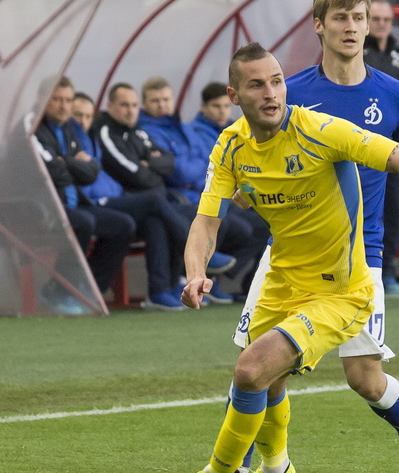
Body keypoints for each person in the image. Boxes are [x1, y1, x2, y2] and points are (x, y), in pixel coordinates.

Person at [149, 42, 399, 473]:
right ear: (234, 93)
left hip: (341, 288)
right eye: (257, 85)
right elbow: (206, 221)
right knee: (267, 378)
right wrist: (196, 274)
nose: (271, 93)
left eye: (277, 81)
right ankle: (275, 471)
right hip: (283, 277)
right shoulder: (231, 145)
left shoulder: (320, 130)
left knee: (258, 370)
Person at [231, 0, 399, 473]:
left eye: (360, 18)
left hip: (361, 255)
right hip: (290, 254)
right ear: (320, 26)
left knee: (365, 378)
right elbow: (255, 159)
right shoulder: (291, 92)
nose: (353, 27)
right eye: (341, 19)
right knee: (263, 366)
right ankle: (267, 466)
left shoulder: (396, 95)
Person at [88, 84, 236, 309]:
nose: (130, 110)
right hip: (118, 202)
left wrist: (152, 165)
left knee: (175, 215)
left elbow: (169, 162)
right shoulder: (107, 131)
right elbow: (133, 173)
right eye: (124, 105)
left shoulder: (137, 132)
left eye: (134, 105)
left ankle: (163, 290)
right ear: (109, 107)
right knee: (155, 202)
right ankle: (201, 257)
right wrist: (151, 169)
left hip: (149, 202)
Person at [138, 76, 269, 299]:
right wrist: (196, 167)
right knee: (224, 224)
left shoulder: (182, 127)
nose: (162, 105)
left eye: (166, 99)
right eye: (155, 100)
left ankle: (236, 278)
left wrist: (189, 166)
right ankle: (205, 275)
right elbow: (185, 170)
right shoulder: (152, 130)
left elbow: (208, 165)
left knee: (265, 221)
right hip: (183, 197)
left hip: (206, 192)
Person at [30, 77, 136, 306]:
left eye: (68, 100)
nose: (64, 106)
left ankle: (90, 291)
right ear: (41, 99)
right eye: (57, 99)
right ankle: (58, 291)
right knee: (83, 222)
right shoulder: (30, 128)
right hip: (41, 207)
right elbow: (50, 171)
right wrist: (74, 163)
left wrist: (65, 162)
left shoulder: (68, 128)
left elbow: (90, 172)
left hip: (74, 203)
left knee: (123, 225)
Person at [186, 81, 271, 300]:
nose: (222, 111)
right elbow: (204, 171)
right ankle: (216, 278)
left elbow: (250, 169)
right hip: (204, 197)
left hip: (235, 195)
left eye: (226, 106)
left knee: (270, 220)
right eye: (216, 106)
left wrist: (252, 191)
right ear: (203, 107)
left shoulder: (239, 130)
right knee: (228, 224)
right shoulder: (194, 132)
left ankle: (248, 282)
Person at [363, 0, 399, 294]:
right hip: (361, 145)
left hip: (393, 146)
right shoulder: (357, 52)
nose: (381, 25)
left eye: (386, 20)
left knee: (394, 206)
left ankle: (388, 268)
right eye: (376, 19)